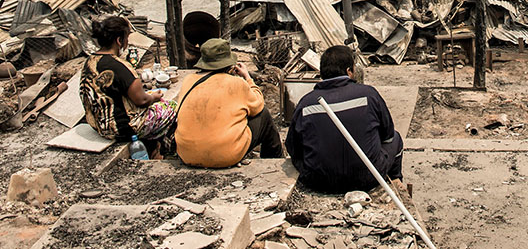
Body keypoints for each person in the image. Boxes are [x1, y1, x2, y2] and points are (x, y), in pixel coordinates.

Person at [286, 45, 402, 193]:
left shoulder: (306, 103)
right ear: (349, 71)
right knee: (396, 139)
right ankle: (395, 181)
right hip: (368, 178)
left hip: (319, 181)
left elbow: (293, 147)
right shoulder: (369, 95)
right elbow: (388, 135)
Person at [174, 38, 283, 168]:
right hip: (225, 156)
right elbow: (258, 104)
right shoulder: (236, 83)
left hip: (187, 155)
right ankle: (275, 162)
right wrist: (248, 78)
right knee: (264, 115)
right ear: (229, 64)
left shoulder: (188, 80)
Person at [80, 16, 177, 157]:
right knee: (172, 107)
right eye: (126, 39)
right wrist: (154, 97)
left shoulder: (89, 61)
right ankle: (168, 152)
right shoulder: (119, 65)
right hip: (122, 129)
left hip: (98, 126)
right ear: (119, 40)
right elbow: (142, 100)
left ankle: (155, 147)